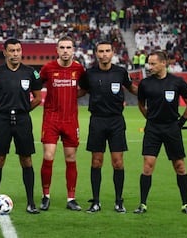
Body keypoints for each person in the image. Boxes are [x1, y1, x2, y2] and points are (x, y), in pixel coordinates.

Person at [0, 38, 42, 214]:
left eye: (18, 50)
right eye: (12, 50)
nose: (15, 53)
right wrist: (2, 110)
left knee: (26, 160)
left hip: (23, 121)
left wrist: (23, 110)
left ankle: (31, 202)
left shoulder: (31, 72)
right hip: (2, 120)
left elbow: (38, 98)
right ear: (5, 52)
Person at [134, 51, 187, 215]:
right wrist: (150, 119)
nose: (150, 66)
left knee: (180, 166)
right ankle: (142, 204)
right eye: (149, 63)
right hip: (153, 129)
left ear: (163, 63)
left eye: (153, 63)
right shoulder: (145, 83)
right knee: (148, 166)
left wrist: (180, 123)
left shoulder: (177, 82)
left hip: (171, 129)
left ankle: (185, 204)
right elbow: (140, 104)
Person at [79, 41, 138, 213]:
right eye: (101, 51)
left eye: (107, 51)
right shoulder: (89, 73)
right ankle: (95, 201)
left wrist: (150, 93)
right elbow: (81, 91)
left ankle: (119, 201)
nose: (104, 54)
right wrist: (61, 95)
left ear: (113, 53)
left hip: (116, 121)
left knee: (118, 163)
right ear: (96, 53)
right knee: (96, 162)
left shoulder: (121, 72)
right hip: (97, 120)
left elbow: (131, 88)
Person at [39, 36, 86, 211]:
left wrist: (74, 95)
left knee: (70, 158)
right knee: (48, 156)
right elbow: (36, 83)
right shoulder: (48, 68)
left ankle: (71, 199)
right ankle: (46, 196)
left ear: (73, 50)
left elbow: (86, 87)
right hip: (51, 118)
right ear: (57, 50)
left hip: (70, 120)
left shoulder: (79, 69)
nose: (65, 50)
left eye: (68, 47)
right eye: (62, 47)